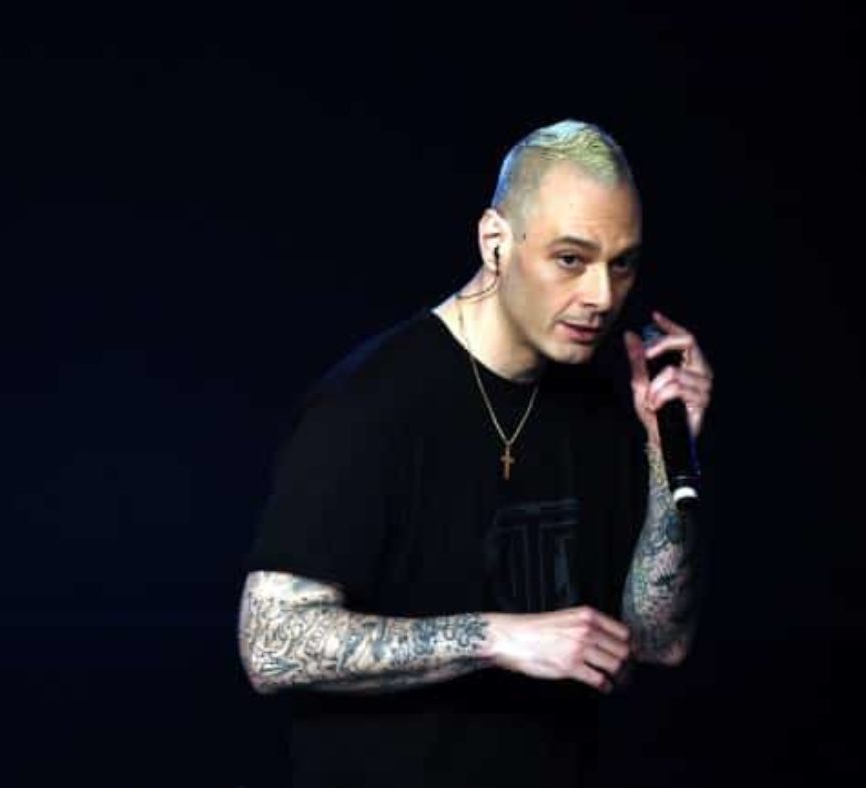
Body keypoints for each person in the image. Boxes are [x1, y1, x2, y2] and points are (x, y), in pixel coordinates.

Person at [236, 119, 714, 788]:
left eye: (622, 263)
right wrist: (498, 638)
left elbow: (662, 641)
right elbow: (270, 644)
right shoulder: (371, 405)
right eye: (570, 260)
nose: (601, 297)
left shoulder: (609, 399)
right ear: (496, 243)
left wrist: (667, 451)